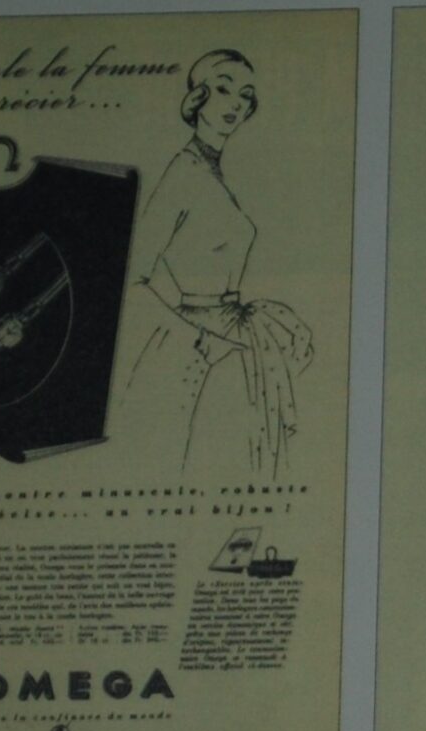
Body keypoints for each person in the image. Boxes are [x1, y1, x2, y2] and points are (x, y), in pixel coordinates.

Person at [121, 49, 313, 475]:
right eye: (223, 89)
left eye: (245, 95)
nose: (235, 104)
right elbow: (132, 277)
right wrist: (200, 340)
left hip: (236, 341)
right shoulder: (183, 173)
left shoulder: (215, 172)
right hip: (198, 348)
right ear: (198, 97)